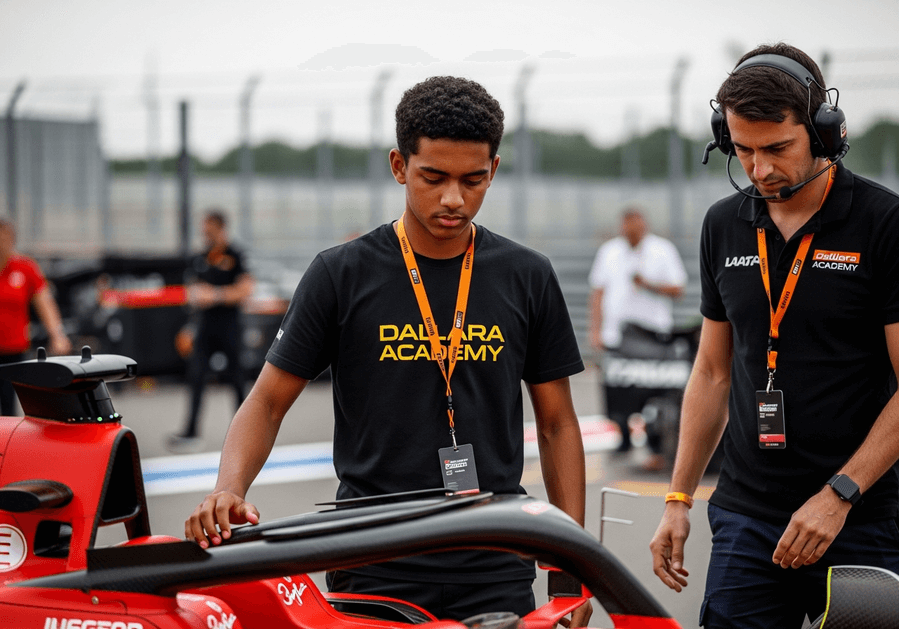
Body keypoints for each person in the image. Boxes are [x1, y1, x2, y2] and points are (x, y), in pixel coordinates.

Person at [185, 76, 592, 626]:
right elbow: (267, 402)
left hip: (496, 560)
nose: (454, 198)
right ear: (400, 166)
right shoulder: (340, 273)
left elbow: (558, 424)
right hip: (372, 561)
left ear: (494, 170)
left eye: (473, 180)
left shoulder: (528, 275)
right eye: (434, 177)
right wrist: (227, 489)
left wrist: (572, 569)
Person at [649, 42, 899, 629]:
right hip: (746, 516)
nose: (759, 170)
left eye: (777, 148)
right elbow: (711, 372)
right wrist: (679, 498)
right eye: (742, 150)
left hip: (861, 518)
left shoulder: (884, 223)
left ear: (824, 134)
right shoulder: (722, 224)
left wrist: (840, 494)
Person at [588, 208, 687, 467]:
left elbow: (678, 289)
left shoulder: (663, 250)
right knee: (615, 389)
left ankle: (655, 438)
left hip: (652, 336)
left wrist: (647, 284)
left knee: (653, 387)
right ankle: (622, 437)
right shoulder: (609, 252)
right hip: (616, 335)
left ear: (644, 225)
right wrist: (595, 330)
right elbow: (597, 292)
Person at [166, 210, 254, 453]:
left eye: (209, 229)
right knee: (196, 377)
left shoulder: (235, 255)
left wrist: (215, 295)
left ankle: (245, 434)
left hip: (230, 326)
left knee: (237, 379)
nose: (205, 233)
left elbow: (246, 290)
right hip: (205, 327)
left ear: (220, 228)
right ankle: (191, 432)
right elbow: (191, 291)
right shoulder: (200, 256)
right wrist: (193, 305)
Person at [0, 217, 72, 416]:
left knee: (9, 405)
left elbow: (45, 304)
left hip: (14, 350)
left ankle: (5, 447)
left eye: (5, 238)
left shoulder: (25, 268)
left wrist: (57, 335)